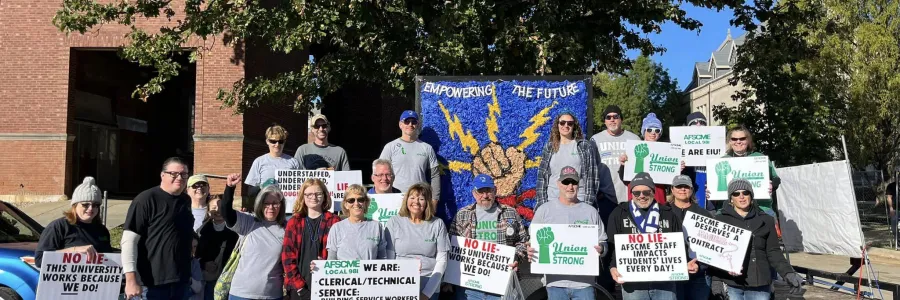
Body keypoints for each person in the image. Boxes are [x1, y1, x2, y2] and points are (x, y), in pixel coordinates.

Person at [709, 179, 803, 300]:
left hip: (759, 283)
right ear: (731, 199)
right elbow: (715, 253)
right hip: (731, 283)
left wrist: (788, 272)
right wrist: (716, 280)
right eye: (736, 194)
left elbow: (773, 251)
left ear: (751, 196)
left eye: (745, 193)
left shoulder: (767, 220)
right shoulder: (720, 220)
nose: (741, 197)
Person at [607, 172, 695, 300]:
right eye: (636, 193)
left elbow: (679, 244)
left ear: (653, 192)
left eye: (646, 192)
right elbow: (611, 244)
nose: (641, 196)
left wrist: (685, 263)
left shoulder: (668, 214)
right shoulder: (619, 213)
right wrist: (612, 267)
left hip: (665, 283)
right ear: (631, 193)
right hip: (633, 283)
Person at [528, 166, 607, 300]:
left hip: (584, 285)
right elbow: (532, 241)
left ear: (578, 185)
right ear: (558, 184)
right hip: (555, 284)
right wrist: (530, 250)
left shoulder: (590, 211)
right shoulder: (544, 211)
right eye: (566, 182)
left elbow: (604, 242)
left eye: (574, 182)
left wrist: (602, 248)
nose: (570, 186)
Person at [122, 157, 195, 300]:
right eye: (173, 174)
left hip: (181, 282)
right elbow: (128, 241)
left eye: (184, 174)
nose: (179, 178)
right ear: (162, 175)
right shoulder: (146, 199)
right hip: (152, 284)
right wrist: (130, 280)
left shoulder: (185, 200)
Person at [449, 174, 529, 300]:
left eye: (488, 191)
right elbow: (451, 245)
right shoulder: (462, 215)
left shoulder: (510, 213)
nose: (485, 196)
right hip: (470, 287)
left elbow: (523, 242)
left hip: (501, 285)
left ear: (495, 191)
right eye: (481, 192)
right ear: (474, 193)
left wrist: (516, 258)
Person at [221, 174, 287, 300]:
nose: (270, 207)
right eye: (266, 203)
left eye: (275, 203)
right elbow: (226, 213)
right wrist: (229, 188)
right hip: (241, 293)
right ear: (259, 204)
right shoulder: (249, 222)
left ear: (281, 205)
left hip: (272, 295)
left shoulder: (287, 228)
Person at [384, 183, 450, 300]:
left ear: (427, 202)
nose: (416, 202)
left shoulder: (437, 224)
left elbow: (442, 260)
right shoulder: (394, 222)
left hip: (429, 284)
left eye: (421, 199)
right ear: (406, 200)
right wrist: (395, 286)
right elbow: (389, 259)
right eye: (412, 197)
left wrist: (426, 293)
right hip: (400, 285)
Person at [536, 111, 612, 209]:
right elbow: (542, 177)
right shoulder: (550, 147)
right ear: (557, 125)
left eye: (570, 123)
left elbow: (591, 177)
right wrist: (542, 204)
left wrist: (587, 205)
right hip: (552, 201)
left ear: (574, 126)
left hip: (578, 201)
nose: (566, 125)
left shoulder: (584, 146)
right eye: (562, 123)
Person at [283, 179, 342, 300]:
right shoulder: (294, 222)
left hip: (326, 286)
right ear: (303, 197)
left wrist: (327, 262)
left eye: (318, 193)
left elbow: (342, 254)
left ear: (324, 196)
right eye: (309, 194)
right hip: (298, 288)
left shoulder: (335, 221)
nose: (313, 197)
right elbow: (287, 258)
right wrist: (300, 288)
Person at [35, 176, 112, 267]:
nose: (91, 208)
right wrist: (73, 250)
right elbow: (40, 260)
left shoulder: (102, 230)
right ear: (75, 205)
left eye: (95, 205)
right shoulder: (59, 227)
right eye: (85, 204)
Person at [666, 175, 713, 300]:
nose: (682, 189)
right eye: (679, 186)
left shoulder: (703, 213)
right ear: (672, 189)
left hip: (699, 274)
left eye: (686, 187)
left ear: (691, 190)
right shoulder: (663, 211)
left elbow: (711, 244)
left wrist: (700, 265)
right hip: (672, 274)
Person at [619, 113, 682, 204]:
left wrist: (677, 169)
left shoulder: (666, 151)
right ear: (644, 132)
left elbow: (670, 183)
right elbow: (625, 179)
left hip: (658, 197)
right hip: (638, 198)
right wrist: (623, 166)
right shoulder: (634, 149)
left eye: (657, 130)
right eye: (649, 130)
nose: (653, 133)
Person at [378, 110, 441, 197]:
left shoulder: (427, 148)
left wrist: (434, 200)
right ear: (400, 124)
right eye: (407, 121)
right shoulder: (390, 147)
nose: (410, 125)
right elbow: (379, 173)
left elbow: (435, 176)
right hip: (395, 198)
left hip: (419, 199)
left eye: (413, 122)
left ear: (418, 125)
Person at [591, 105, 641, 204]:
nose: (612, 120)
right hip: (605, 198)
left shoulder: (634, 139)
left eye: (616, 117)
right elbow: (592, 169)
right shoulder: (595, 140)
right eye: (608, 117)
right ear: (605, 121)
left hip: (629, 197)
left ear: (621, 119)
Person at [325, 184, 388, 260]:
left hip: (369, 272)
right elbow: (331, 260)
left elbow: (382, 258)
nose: (356, 203)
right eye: (351, 200)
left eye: (360, 200)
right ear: (346, 205)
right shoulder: (336, 228)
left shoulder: (377, 226)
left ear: (365, 203)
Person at [196, 194, 239, 300]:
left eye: (221, 207)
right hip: (206, 279)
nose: (218, 211)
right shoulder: (203, 230)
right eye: (214, 208)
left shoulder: (236, 230)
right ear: (208, 211)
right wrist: (203, 264)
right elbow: (195, 254)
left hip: (229, 280)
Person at [246, 124, 301, 203]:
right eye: (273, 141)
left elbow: (301, 187)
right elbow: (250, 192)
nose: (277, 144)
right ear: (267, 141)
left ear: (284, 142)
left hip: (288, 208)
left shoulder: (293, 162)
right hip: (266, 208)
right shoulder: (259, 161)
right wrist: (262, 186)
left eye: (280, 141)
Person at [679, 112, 716, 212]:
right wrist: (677, 170)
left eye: (702, 122)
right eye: (694, 123)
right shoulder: (680, 152)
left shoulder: (716, 149)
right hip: (688, 205)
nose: (698, 125)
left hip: (711, 206)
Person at [188, 232, 204, 300]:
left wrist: (189, 279)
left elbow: (198, 288)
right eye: (189, 246)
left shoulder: (194, 263)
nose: (192, 250)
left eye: (194, 247)